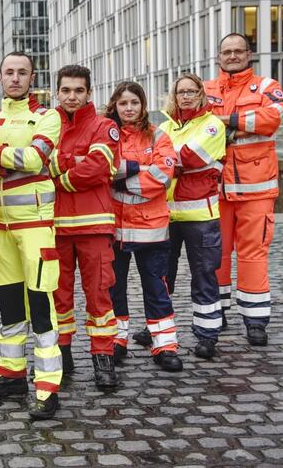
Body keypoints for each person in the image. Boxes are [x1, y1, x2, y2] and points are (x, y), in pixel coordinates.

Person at [0, 52, 63, 419]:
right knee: (9, 304)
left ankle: (48, 383)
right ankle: (11, 372)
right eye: (9, 72)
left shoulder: (47, 116)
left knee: (42, 305)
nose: (15, 78)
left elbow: (35, 159)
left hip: (35, 226)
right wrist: (5, 159)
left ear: (32, 78)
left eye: (21, 72)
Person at [205, 33, 283, 346]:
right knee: (216, 255)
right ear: (218, 56)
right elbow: (195, 123)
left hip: (256, 188)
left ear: (249, 54)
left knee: (254, 255)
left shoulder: (267, 86)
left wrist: (225, 121)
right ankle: (217, 312)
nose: (233, 56)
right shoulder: (205, 89)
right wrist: (240, 124)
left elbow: (271, 119)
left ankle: (255, 321)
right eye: (227, 51)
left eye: (238, 51)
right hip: (216, 189)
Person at [47, 65, 120, 388]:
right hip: (55, 228)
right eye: (66, 90)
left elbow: (99, 166)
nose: (72, 97)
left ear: (89, 92)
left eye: (79, 90)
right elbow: (39, 164)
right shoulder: (48, 125)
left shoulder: (105, 126)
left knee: (99, 296)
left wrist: (59, 175)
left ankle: (103, 358)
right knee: (57, 297)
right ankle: (62, 355)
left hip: (94, 227)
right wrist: (75, 162)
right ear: (57, 92)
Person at [106, 81, 183, 372]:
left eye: (134, 103)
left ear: (143, 105)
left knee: (156, 287)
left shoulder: (158, 135)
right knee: (114, 288)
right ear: (115, 106)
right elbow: (102, 171)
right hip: (114, 227)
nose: (129, 108)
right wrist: (140, 170)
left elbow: (162, 177)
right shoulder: (106, 135)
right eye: (123, 103)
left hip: (152, 229)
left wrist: (121, 181)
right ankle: (116, 341)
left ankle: (165, 345)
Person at [160, 73, 227, 359]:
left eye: (191, 91)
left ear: (201, 94)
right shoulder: (165, 126)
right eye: (181, 92)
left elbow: (191, 156)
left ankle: (207, 334)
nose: (186, 96)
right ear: (174, 96)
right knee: (161, 276)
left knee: (204, 275)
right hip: (167, 214)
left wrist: (165, 157)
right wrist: (166, 159)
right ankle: (158, 329)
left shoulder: (213, 125)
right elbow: (156, 158)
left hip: (201, 216)